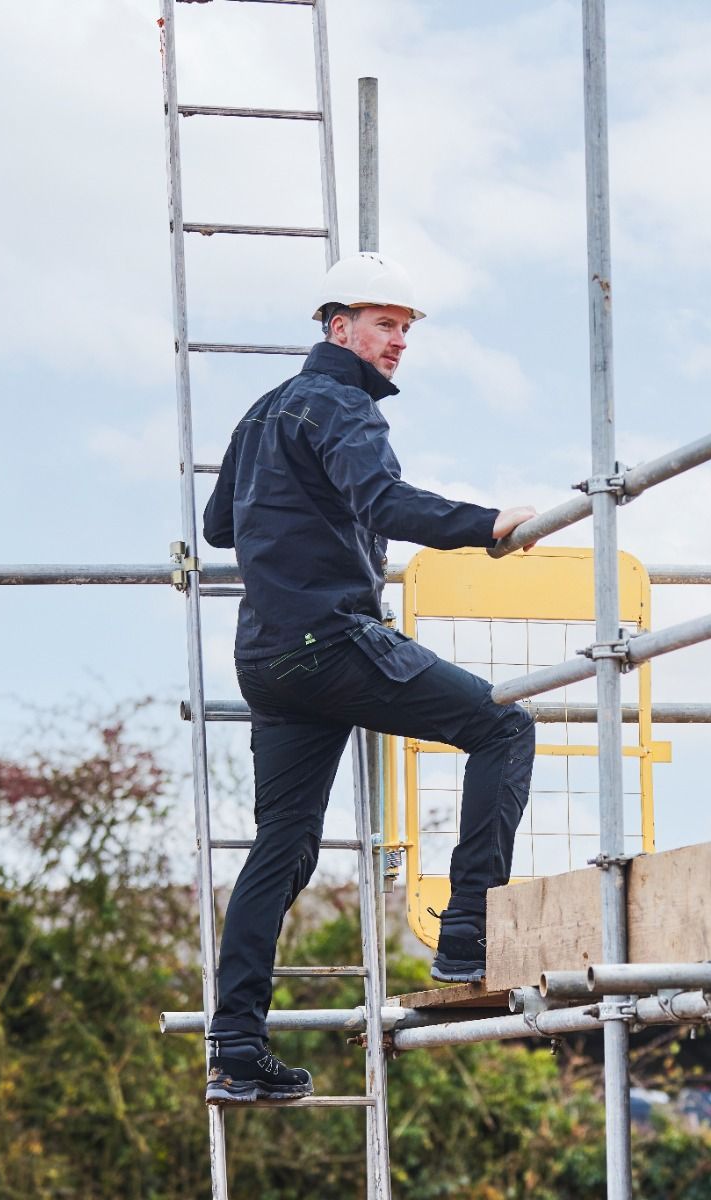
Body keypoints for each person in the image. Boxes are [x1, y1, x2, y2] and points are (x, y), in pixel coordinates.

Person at [199, 251, 540, 1104]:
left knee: (282, 848)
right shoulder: (338, 404)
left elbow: (218, 526)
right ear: (337, 326)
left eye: (404, 328)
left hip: (269, 659)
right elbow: (384, 502)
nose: (397, 342)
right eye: (383, 324)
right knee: (502, 725)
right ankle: (467, 933)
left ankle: (235, 1045)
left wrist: (299, 517)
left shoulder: (263, 411)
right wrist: (489, 524)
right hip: (329, 641)